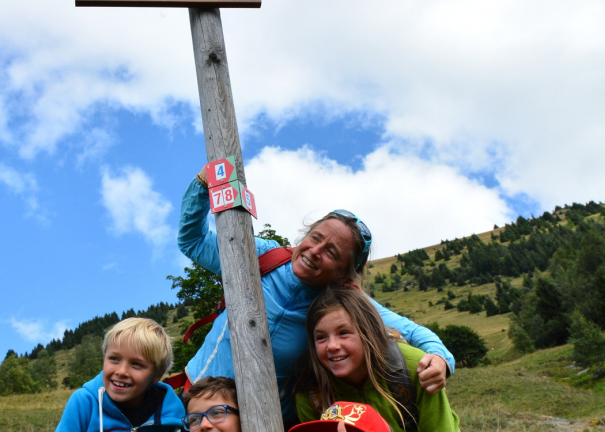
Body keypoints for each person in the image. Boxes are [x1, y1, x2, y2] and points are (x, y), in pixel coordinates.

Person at [178, 167, 455, 426]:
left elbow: (416, 333)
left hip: (263, 421)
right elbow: (193, 241)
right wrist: (202, 184)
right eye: (314, 238)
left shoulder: (341, 304)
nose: (314, 251)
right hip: (197, 407)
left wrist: (441, 360)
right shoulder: (264, 256)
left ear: (345, 274)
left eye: (332, 252)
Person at [294, 287, 460, 431]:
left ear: (369, 333)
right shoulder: (311, 395)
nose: (332, 346)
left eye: (343, 333)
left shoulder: (415, 369)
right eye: (321, 337)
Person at [56, 318, 185, 432]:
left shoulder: (173, 415)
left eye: (136, 364)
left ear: (157, 375)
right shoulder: (84, 403)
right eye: (114, 359)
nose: (121, 371)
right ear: (104, 358)